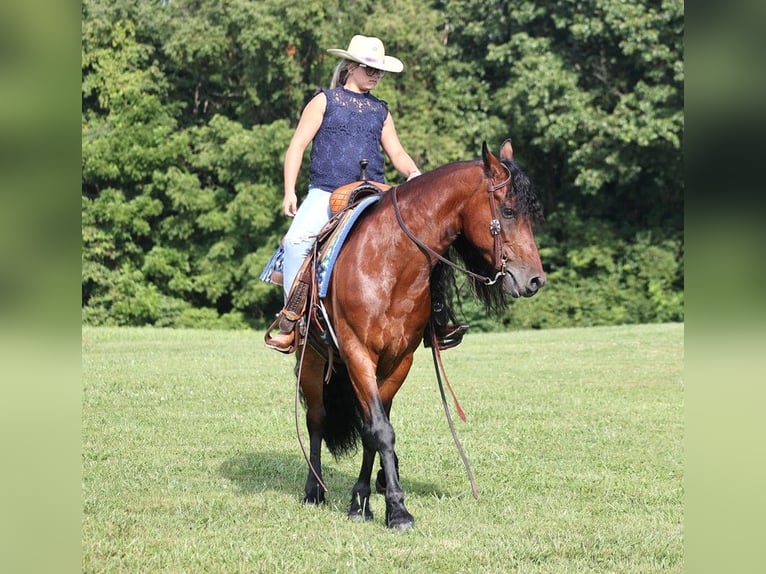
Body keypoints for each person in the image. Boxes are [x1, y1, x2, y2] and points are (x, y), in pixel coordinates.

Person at [265, 34, 467, 353]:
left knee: (424, 240)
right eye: (367, 68)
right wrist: (289, 191)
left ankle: (436, 318)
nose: (374, 75)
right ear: (350, 67)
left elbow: (397, 153)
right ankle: (293, 321)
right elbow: (297, 146)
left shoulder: (381, 111)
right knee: (296, 241)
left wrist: (414, 175)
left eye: (378, 71)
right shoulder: (325, 101)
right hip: (327, 192)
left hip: (374, 191)